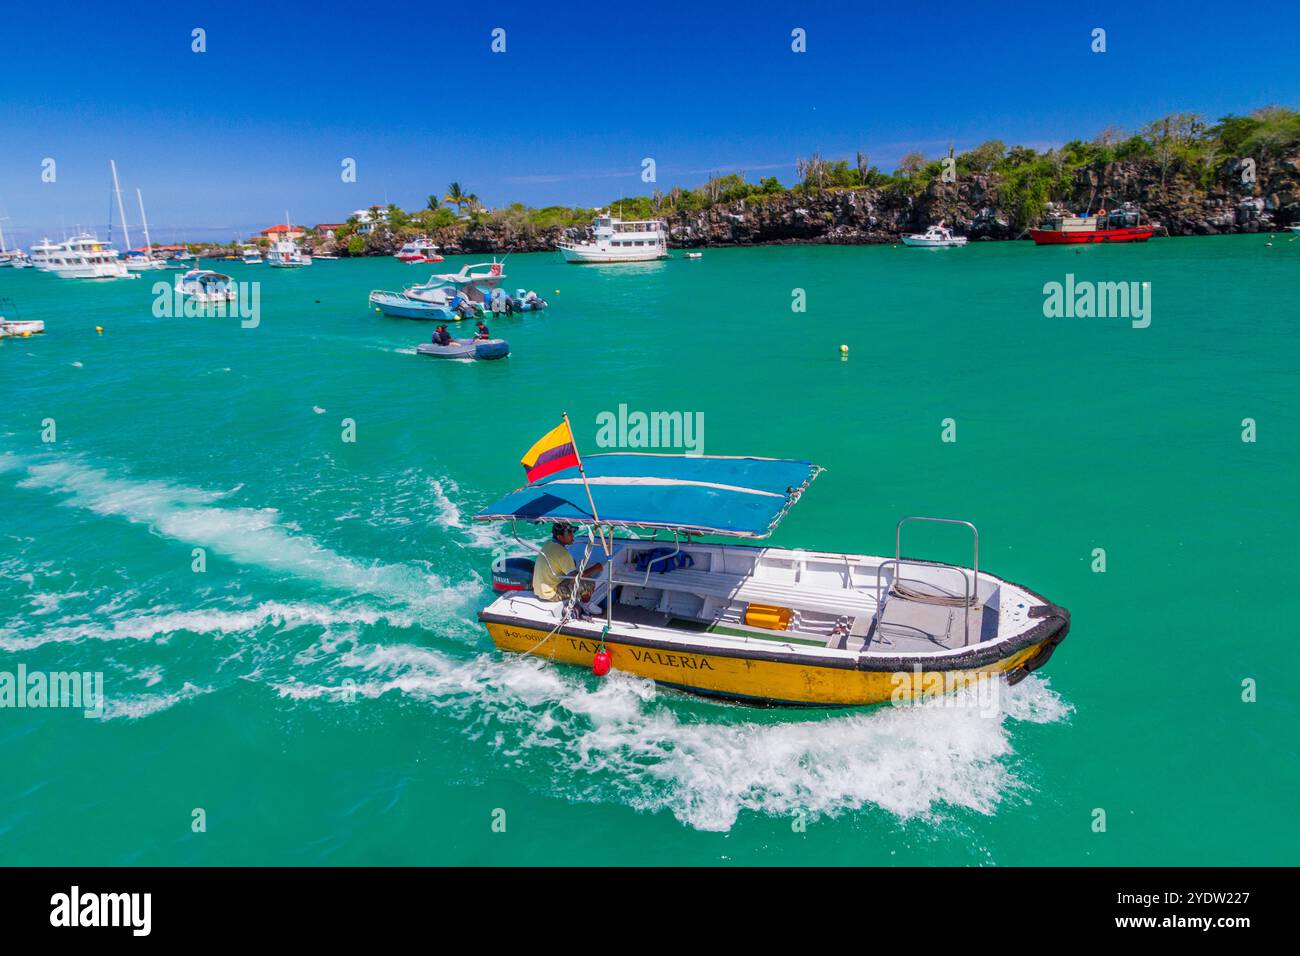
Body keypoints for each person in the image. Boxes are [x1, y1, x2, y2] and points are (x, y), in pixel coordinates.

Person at [532, 522, 606, 616]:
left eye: (572, 533)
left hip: (539, 590)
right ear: (559, 537)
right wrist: (595, 568)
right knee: (588, 582)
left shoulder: (548, 544)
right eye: (569, 534)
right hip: (550, 594)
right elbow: (575, 579)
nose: (572, 536)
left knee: (579, 570)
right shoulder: (563, 554)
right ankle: (586, 604)